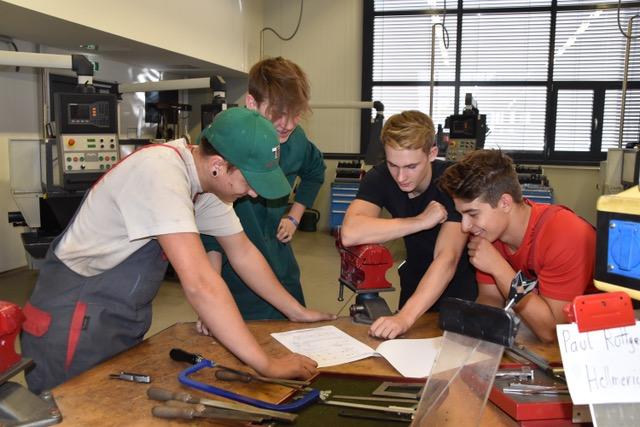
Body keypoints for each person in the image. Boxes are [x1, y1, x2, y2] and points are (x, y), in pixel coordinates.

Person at [21, 107, 331, 394]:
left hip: (118, 319)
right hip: (73, 322)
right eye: (250, 181)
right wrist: (266, 365)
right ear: (218, 166)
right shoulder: (161, 174)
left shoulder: (204, 186)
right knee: (71, 411)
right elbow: (199, 283)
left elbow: (243, 253)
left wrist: (296, 312)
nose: (252, 192)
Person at [198, 57, 326, 322]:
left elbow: (315, 171)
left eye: (296, 114)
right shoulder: (223, 141)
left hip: (280, 264)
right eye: (278, 113)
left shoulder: (296, 140)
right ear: (251, 102)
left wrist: (294, 216)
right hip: (234, 274)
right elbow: (211, 235)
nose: (288, 124)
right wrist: (210, 300)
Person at [341, 110, 477, 340]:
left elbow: (447, 258)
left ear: (432, 153)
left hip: (460, 290)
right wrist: (420, 221)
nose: (401, 176)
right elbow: (350, 233)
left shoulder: (453, 182)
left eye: (411, 167)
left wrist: (405, 317)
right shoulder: (382, 176)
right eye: (394, 165)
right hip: (414, 285)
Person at [438, 149, 596, 343]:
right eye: (461, 215)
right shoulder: (489, 233)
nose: (465, 226)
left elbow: (553, 333)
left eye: (473, 214)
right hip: (538, 331)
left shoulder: (565, 233)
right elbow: (490, 300)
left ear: (505, 203)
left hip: (601, 340)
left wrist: (499, 268)